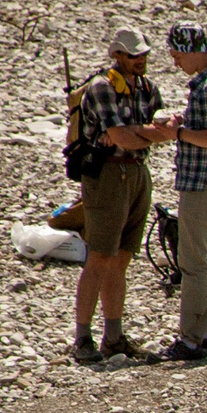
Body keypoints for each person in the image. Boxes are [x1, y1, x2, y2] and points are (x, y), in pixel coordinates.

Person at [68, 28, 171, 361]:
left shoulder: (148, 89)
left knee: (123, 257)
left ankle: (113, 337)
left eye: (143, 55)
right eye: (133, 55)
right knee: (99, 256)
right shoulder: (101, 87)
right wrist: (140, 134)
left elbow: (158, 133)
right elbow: (124, 137)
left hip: (138, 172)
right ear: (118, 55)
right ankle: (82, 338)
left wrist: (134, 134)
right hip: (108, 174)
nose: (140, 60)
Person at [157, 23, 207, 363]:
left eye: (177, 56)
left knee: (193, 264)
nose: (176, 63)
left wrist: (179, 132)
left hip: (202, 185)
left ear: (192, 50)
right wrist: (185, 124)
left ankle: (190, 340)